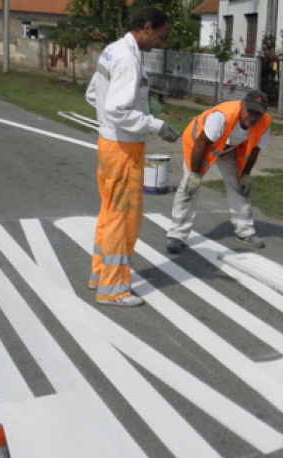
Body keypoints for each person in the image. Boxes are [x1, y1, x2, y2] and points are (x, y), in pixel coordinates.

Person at [85, 7, 181, 307]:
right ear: (148, 27)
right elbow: (117, 109)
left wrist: (134, 109)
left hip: (109, 144)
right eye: (161, 36)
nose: (161, 43)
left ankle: (101, 274)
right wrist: (155, 124)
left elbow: (93, 95)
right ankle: (112, 289)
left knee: (109, 213)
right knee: (122, 219)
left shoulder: (113, 51)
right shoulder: (127, 58)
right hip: (124, 148)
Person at [165, 90, 272, 253]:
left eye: (258, 113)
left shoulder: (264, 123)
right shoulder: (222, 116)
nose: (253, 117)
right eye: (250, 111)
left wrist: (245, 174)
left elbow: (255, 149)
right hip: (198, 145)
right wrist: (194, 174)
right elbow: (201, 142)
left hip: (229, 149)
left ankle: (245, 231)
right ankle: (176, 235)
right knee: (189, 188)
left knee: (240, 187)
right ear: (242, 106)